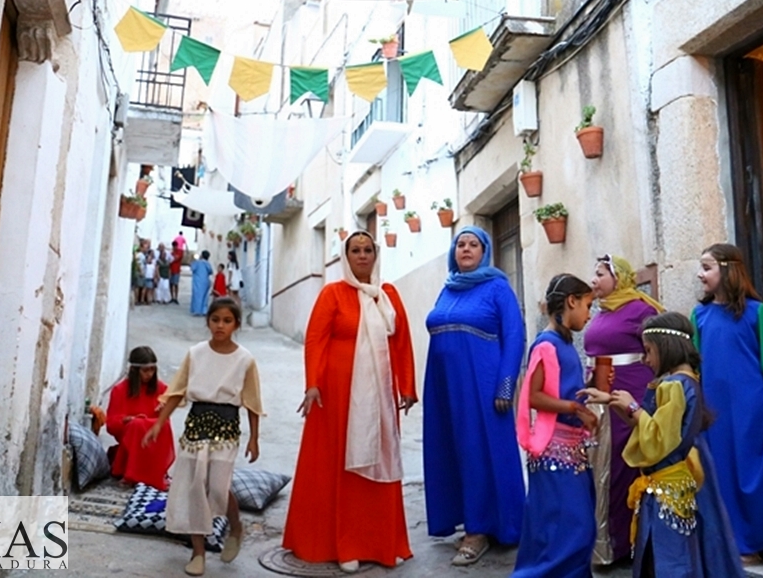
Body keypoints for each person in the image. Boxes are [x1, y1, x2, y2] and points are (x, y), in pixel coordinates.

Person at [282, 231, 417, 573]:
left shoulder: (388, 295)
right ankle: (341, 544)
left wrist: (407, 387)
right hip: (338, 395)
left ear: (375, 254)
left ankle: (381, 543)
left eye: (367, 250)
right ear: (346, 256)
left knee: (380, 465)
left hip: (381, 396)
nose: (361, 256)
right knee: (338, 466)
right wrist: (312, 384)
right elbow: (315, 339)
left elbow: (401, 342)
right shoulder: (333, 294)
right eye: (355, 250)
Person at [583, 312, 744, 578]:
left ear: (666, 347)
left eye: (648, 351)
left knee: (669, 559)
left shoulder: (675, 386)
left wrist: (632, 406)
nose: (645, 359)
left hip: (667, 488)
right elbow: (648, 423)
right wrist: (612, 400)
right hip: (669, 483)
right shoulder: (681, 381)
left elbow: (658, 439)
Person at [691, 243, 763, 562]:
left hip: (750, 408)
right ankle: (723, 543)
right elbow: (694, 366)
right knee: (718, 472)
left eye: (707, 267)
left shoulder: (756, 311)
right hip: (713, 411)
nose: (701, 275)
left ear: (728, 269)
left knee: (751, 474)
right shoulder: (699, 315)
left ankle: (749, 544)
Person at [423, 226, 526, 565]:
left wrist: (505, 385)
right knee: (451, 451)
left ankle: (480, 530)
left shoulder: (497, 287)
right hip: (444, 388)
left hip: (482, 388)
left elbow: (514, 336)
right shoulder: (448, 289)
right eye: (460, 244)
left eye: (473, 244)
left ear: (484, 251)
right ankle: (467, 518)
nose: (465, 249)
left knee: (480, 452)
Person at [144, 297, 264, 577]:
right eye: (215, 319)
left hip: (226, 428)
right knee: (194, 484)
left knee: (217, 487)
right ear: (207, 321)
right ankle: (198, 552)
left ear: (236, 324)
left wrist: (254, 438)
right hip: (196, 425)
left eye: (227, 320)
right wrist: (159, 424)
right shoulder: (195, 353)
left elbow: (253, 402)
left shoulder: (245, 360)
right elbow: (177, 392)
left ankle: (235, 527)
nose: (220, 325)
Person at [511, 274, 598, 578]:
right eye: (588, 305)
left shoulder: (564, 344)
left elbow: (562, 388)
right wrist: (575, 408)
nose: (589, 314)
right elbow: (533, 396)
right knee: (571, 529)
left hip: (570, 448)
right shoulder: (546, 345)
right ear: (571, 301)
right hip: (553, 450)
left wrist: (591, 388)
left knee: (572, 528)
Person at [584, 255, 662, 564]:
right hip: (600, 397)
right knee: (602, 468)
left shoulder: (641, 309)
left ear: (620, 278)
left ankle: (628, 543)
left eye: (601, 273)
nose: (594, 279)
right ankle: (605, 542)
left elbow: (659, 344)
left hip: (629, 394)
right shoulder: (600, 311)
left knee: (623, 466)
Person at [106, 346, 174, 491]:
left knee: (164, 425)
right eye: (145, 370)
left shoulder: (161, 389)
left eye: (152, 369)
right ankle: (131, 473)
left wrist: (163, 412)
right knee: (136, 424)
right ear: (135, 371)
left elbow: (164, 418)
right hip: (131, 436)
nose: (149, 374)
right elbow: (111, 425)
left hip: (152, 440)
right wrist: (126, 420)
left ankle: (155, 472)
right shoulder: (119, 390)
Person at [189, 251, 213, 316]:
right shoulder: (207, 263)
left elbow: (192, 268)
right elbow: (210, 271)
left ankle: (197, 310)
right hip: (205, 281)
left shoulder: (197, 262)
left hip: (198, 281)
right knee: (205, 296)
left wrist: (192, 261)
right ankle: (204, 310)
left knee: (197, 296)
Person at [226, 250, 244, 323]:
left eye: (228, 255)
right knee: (237, 296)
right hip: (237, 282)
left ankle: (233, 309)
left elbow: (230, 273)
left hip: (233, 281)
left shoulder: (230, 264)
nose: (227, 256)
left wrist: (229, 282)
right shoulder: (236, 264)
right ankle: (239, 308)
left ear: (231, 256)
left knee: (232, 295)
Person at [170, 236, 185, 304]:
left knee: (176, 284)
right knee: (171, 284)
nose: (174, 248)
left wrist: (172, 259)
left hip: (176, 270)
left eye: (175, 246)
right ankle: (172, 297)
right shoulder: (171, 253)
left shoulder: (180, 252)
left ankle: (176, 297)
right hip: (171, 270)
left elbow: (175, 259)